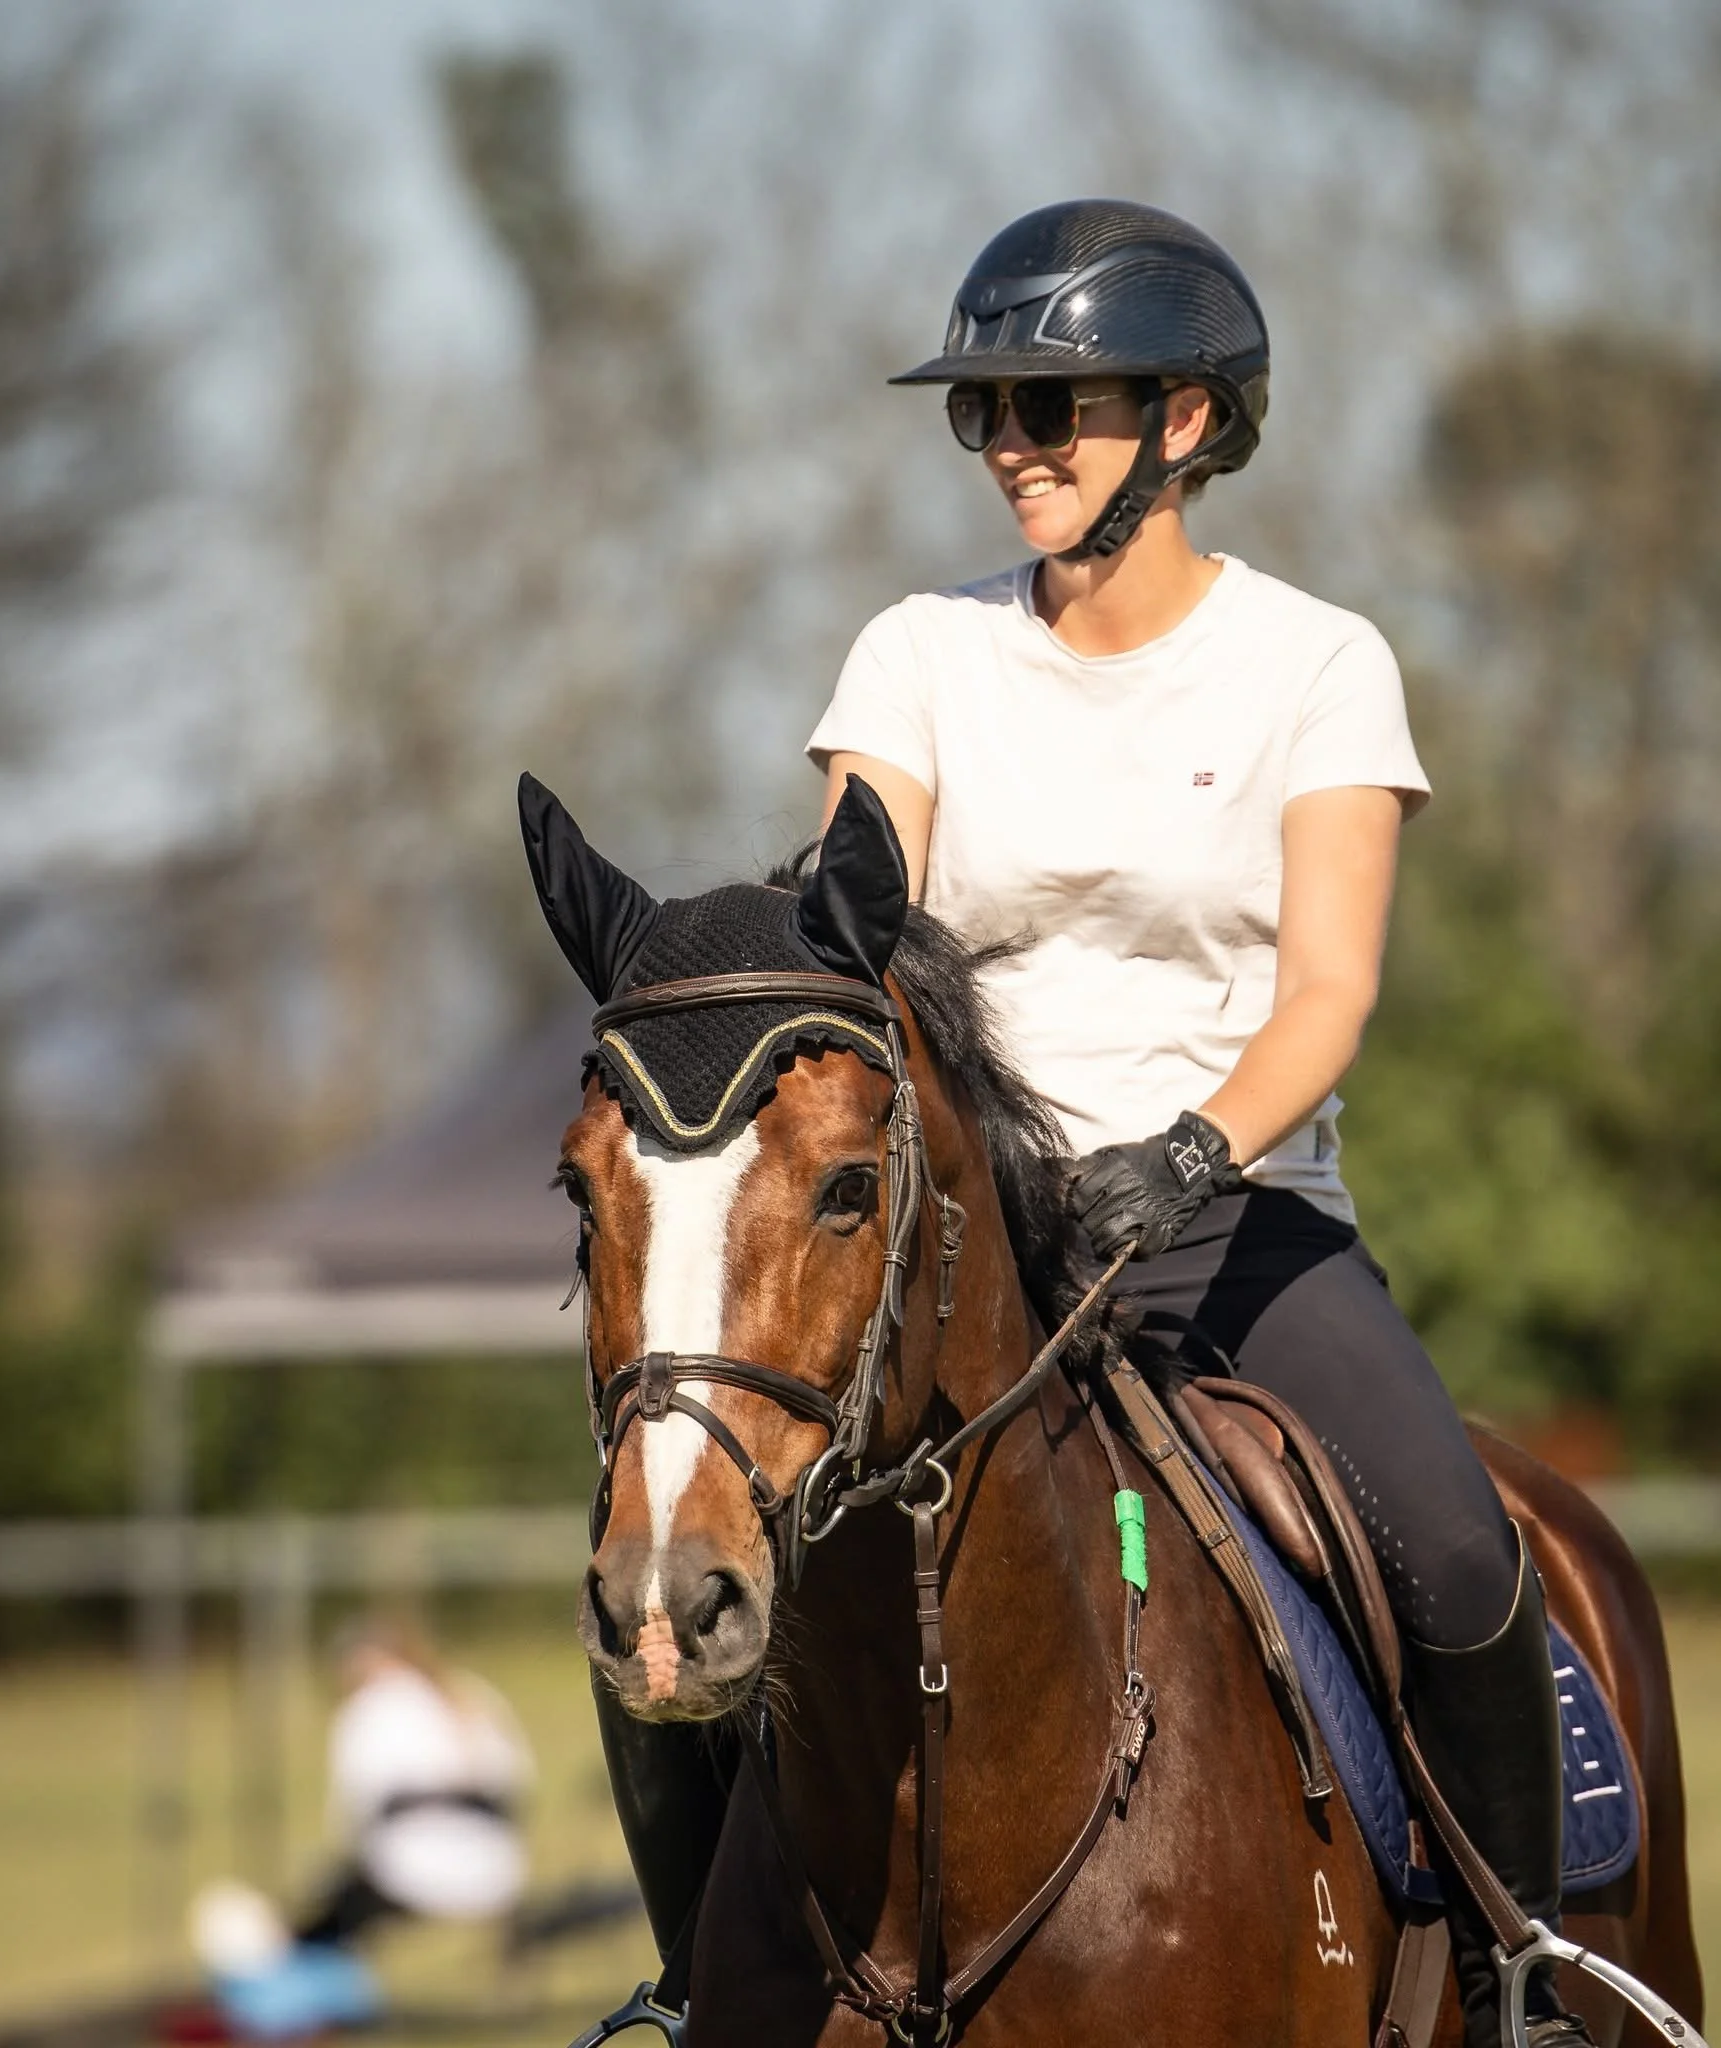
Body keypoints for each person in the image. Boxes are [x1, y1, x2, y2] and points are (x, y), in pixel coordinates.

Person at [603, 201, 1596, 2048]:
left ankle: (1522, 1968)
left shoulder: (1316, 666)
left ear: (1191, 422)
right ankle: (693, 1980)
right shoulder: (915, 654)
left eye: (1052, 408)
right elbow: (848, 917)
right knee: (674, 1543)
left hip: (1231, 1217)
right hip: (968, 1228)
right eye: (984, 411)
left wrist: (1194, 1150)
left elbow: (1324, 994)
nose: (1009, 446)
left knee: (1460, 1554)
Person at [186, 1615, 534, 2041]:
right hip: (499, 1869)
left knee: (312, 1916)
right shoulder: (470, 1692)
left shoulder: (367, 1710)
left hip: (410, 1871)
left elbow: (352, 1826)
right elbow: (519, 1784)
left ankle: (297, 1999)